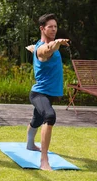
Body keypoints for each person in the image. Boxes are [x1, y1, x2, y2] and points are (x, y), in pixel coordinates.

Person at [24, 13, 69, 171]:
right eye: (50, 27)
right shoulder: (44, 48)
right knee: (49, 116)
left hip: (49, 94)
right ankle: (44, 160)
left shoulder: (37, 45)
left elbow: (36, 49)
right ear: (42, 28)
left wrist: (32, 49)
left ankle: (30, 144)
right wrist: (55, 44)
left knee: (37, 119)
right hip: (39, 94)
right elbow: (46, 50)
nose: (54, 29)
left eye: (56, 27)